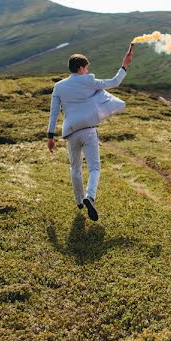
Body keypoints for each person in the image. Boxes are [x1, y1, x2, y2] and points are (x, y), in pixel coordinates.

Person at [47, 45, 134, 221]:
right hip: (88, 130)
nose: (88, 71)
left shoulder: (59, 87)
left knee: (75, 167)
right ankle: (90, 196)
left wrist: (50, 136)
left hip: (71, 131)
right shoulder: (89, 81)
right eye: (86, 68)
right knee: (94, 167)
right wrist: (125, 65)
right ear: (81, 68)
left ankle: (79, 200)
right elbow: (114, 82)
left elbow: (54, 112)